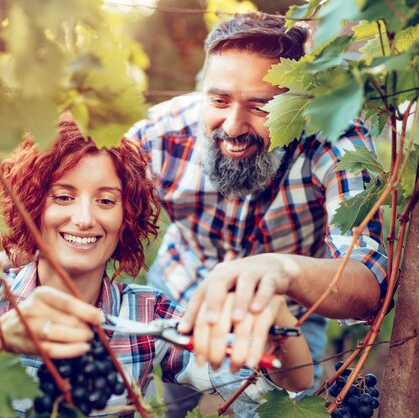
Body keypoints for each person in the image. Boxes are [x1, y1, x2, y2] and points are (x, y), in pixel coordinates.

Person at [0, 117, 313, 417]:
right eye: (63, 196)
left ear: (127, 217)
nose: (85, 218)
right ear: (31, 206)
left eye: (106, 201)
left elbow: (281, 386)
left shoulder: (146, 315)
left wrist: (277, 313)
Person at [124, 12, 388, 417]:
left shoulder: (337, 142)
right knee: (170, 406)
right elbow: (91, 207)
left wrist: (282, 271)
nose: (232, 126)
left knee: (286, 407)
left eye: (260, 106)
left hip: (287, 320)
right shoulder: (159, 134)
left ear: (301, 102)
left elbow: (370, 281)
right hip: (179, 292)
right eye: (219, 100)